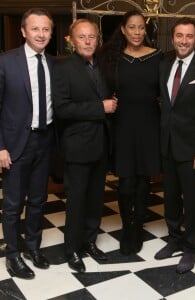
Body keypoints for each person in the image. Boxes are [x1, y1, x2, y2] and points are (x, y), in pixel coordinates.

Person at [154, 17, 195, 274]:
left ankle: (191, 246)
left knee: (192, 201)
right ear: (173, 38)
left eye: (189, 36)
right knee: (170, 196)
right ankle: (174, 238)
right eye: (179, 35)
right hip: (168, 145)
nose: (183, 40)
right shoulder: (165, 65)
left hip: (193, 150)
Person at [52, 19, 117, 273]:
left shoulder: (101, 65)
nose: (88, 41)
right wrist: (100, 107)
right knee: (77, 201)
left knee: (95, 199)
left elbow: (105, 96)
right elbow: (62, 108)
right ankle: (72, 250)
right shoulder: (63, 68)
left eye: (92, 36)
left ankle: (90, 242)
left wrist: (111, 102)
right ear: (71, 40)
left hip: (101, 144)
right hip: (77, 147)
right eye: (82, 37)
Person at [100, 10, 162, 255]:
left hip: (149, 124)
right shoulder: (111, 57)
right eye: (132, 27)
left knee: (143, 182)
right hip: (122, 125)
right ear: (123, 30)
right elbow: (99, 87)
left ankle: (138, 226)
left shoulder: (158, 57)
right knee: (126, 182)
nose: (137, 32)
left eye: (141, 28)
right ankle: (127, 227)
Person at [0, 8, 54, 279]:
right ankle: (12, 255)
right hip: (15, 145)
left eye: (46, 29)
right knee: (12, 204)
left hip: (44, 142)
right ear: (23, 31)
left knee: (38, 200)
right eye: (35, 29)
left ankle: (33, 247)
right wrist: (0, 147)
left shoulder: (53, 63)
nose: (41, 34)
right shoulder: (6, 62)